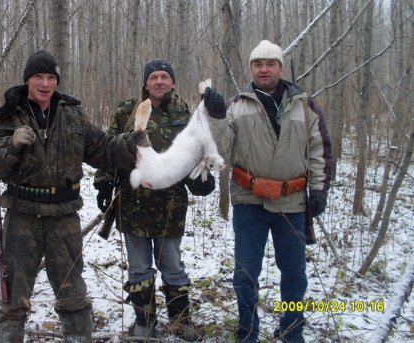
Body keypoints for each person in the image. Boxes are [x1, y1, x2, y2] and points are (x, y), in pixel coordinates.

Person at [0, 50, 145, 343]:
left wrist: (133, 144)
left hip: (63, 218)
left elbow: (103, 150)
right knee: (12, 297)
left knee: (73, 294)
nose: (45, 83)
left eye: (51, 77)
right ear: (27, 79)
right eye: (38, 76)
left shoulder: (72, 114)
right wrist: (10, 145)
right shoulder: (10, 115)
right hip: (22, 218)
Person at [203, 40, 332, 343]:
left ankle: (291, 329)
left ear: (280, 68)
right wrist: (217, 116)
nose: (264, 68)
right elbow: (219, 150)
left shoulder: (304, 104)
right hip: (250, 202)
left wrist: (320, 190)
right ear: (250, 69)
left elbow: (320, 150)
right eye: (258, 63)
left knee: (295, 277)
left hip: (293, 202)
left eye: (270, 63)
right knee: (245, 276)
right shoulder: (236, 106)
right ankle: (248, 330)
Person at [94, 58, 215, 340]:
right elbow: (108, 149)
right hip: (133, 203)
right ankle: (145, 322)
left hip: (171, 205)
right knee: (139, 268)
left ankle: (180, 320)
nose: (159, 81)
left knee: (172, 265)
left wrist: (203, 179)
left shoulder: (183, 113)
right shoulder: (128, 110)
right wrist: (102, 184)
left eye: (164, 77)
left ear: (172, 82)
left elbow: (194, 151)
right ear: (146, 83)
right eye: (154, 77)